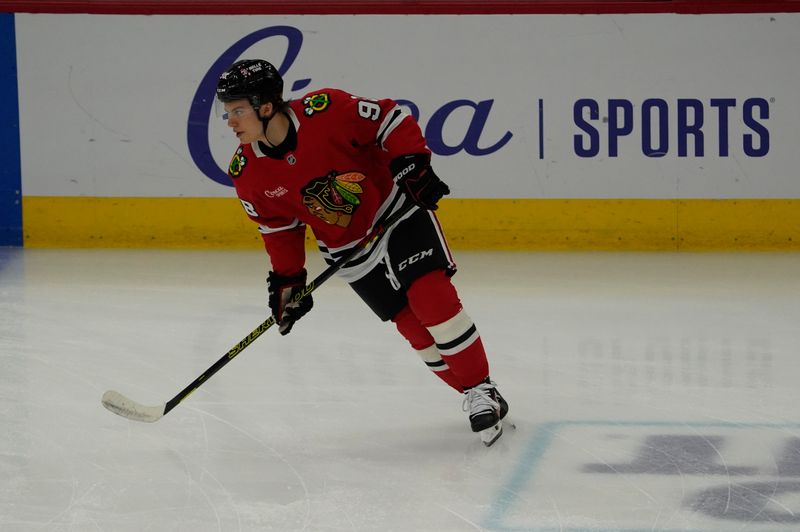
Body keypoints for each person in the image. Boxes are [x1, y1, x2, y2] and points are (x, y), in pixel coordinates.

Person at [215, 59, 509, 445]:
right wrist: (289, 280)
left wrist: (412, 162)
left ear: (266, 106)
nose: (231, 122)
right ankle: (474, 392)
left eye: (238, 110)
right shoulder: (246, 171)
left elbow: (389, 119)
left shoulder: (327, 110)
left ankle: (480, 388)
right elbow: (280, 231)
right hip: (348, 248)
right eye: (227, 113)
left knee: (429, 297)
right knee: (413, 329)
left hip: (394, 212)